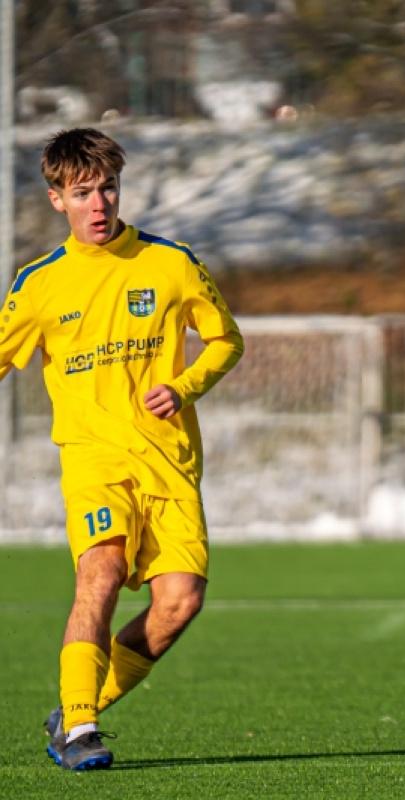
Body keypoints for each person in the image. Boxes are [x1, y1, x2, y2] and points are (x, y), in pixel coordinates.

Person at [0, 128, 244, 771]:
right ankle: (81, 728)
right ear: (57, 200)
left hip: (168, 462)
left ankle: (77, 711)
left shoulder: (172, 262)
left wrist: (185, 385)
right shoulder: (40, 284)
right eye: (83, 192)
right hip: (94, 459)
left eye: (107, 187)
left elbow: (226, 341)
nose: (99, 203)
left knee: (180, 602)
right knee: (100, 572)